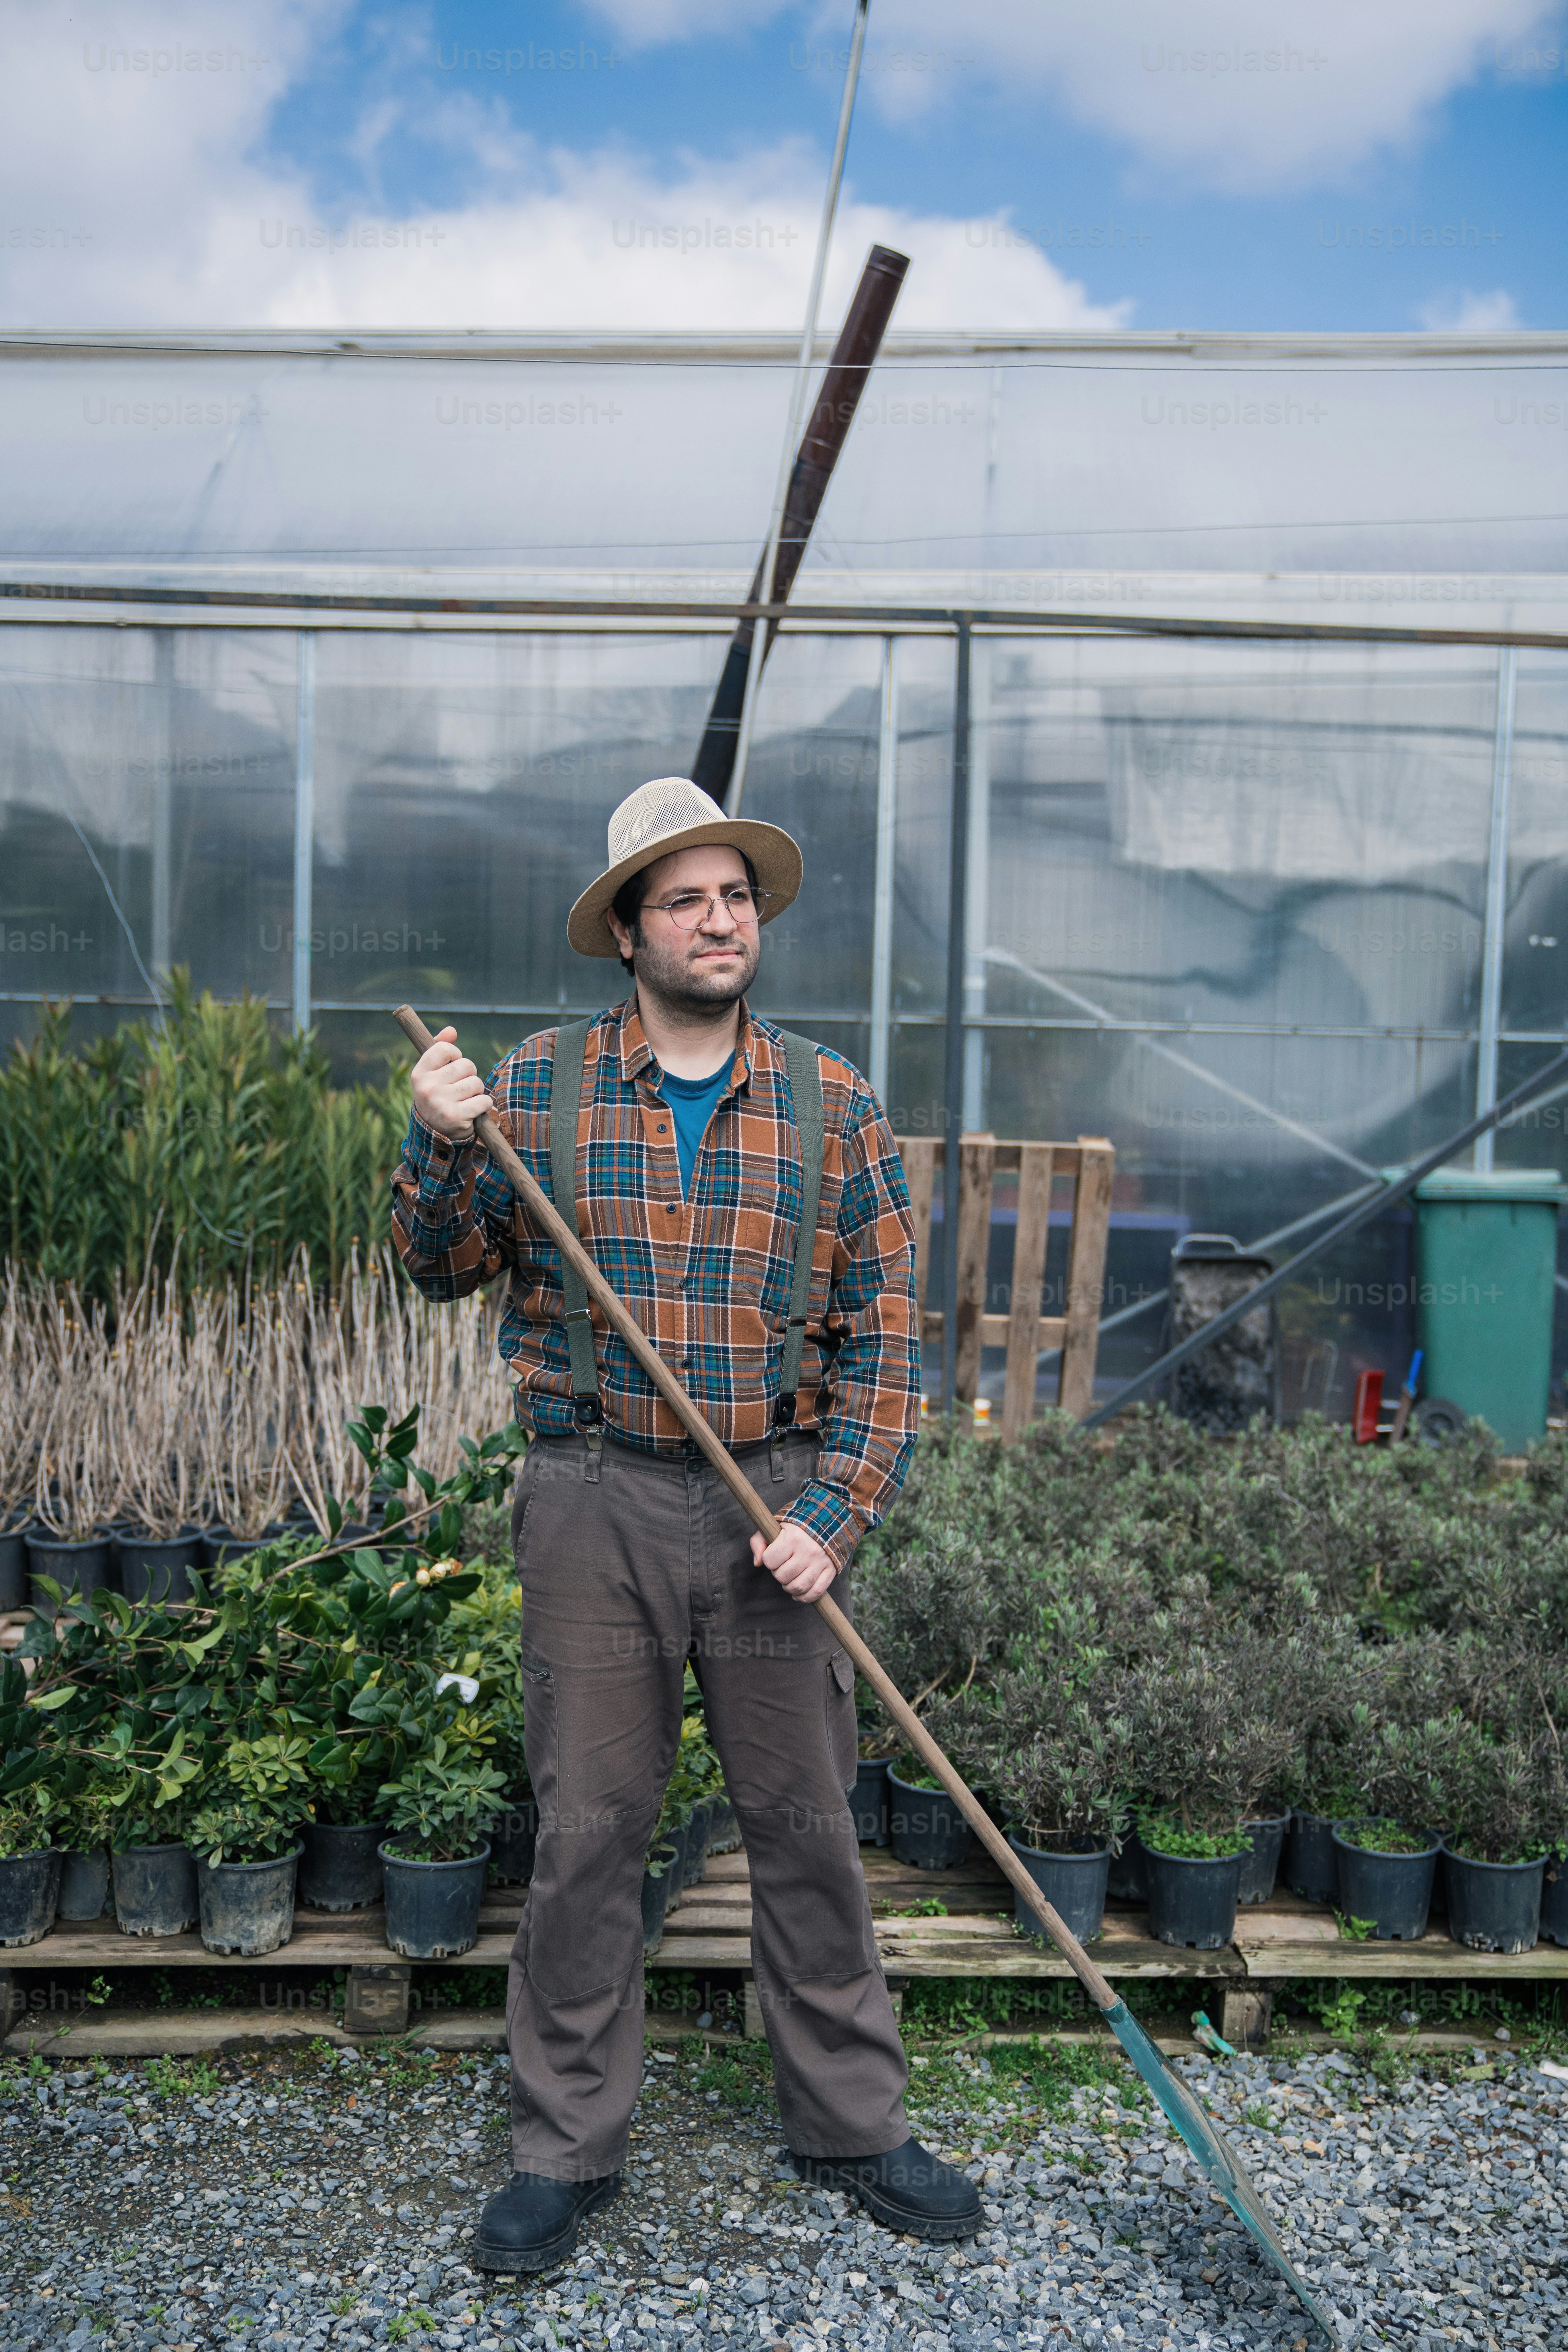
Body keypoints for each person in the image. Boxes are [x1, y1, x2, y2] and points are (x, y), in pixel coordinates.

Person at [392, 775, 979, 2271]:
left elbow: (886, 1343)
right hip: (593, 1496)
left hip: (773, 1502)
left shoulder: (834, 1103)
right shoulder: (534, 1089)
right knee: (589, 1836)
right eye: (685, 901)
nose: (720, 922)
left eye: (736, 897)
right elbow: (439, 1267)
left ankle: (852, 2124)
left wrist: (834, 1515)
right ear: (628, 934)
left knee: (808, 1831)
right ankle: (563, 2146)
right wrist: (438, 1143)